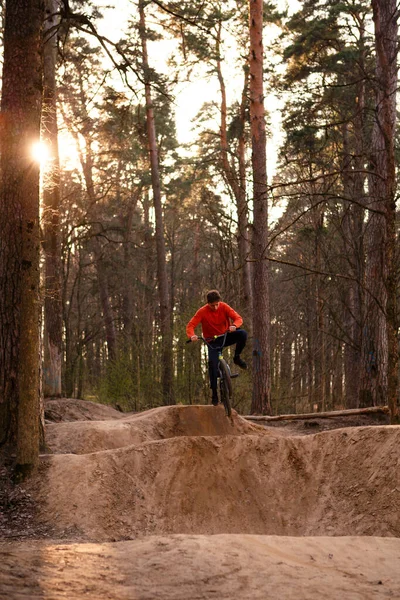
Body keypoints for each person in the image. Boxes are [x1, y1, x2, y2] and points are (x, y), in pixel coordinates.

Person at [186, 289, 247, 406]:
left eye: (217, 304)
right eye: (212, 305)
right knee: (213, 365)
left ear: (220, 302)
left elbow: (238, 318)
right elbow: (190, 325)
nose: (215, 307)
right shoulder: (202, 312)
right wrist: (192, 335)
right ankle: (214, 392)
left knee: (243, 334)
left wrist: (234, 325)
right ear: (207, 303)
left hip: (225, 336)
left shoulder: (224, 307)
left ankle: (237, 357)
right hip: (212, 341)